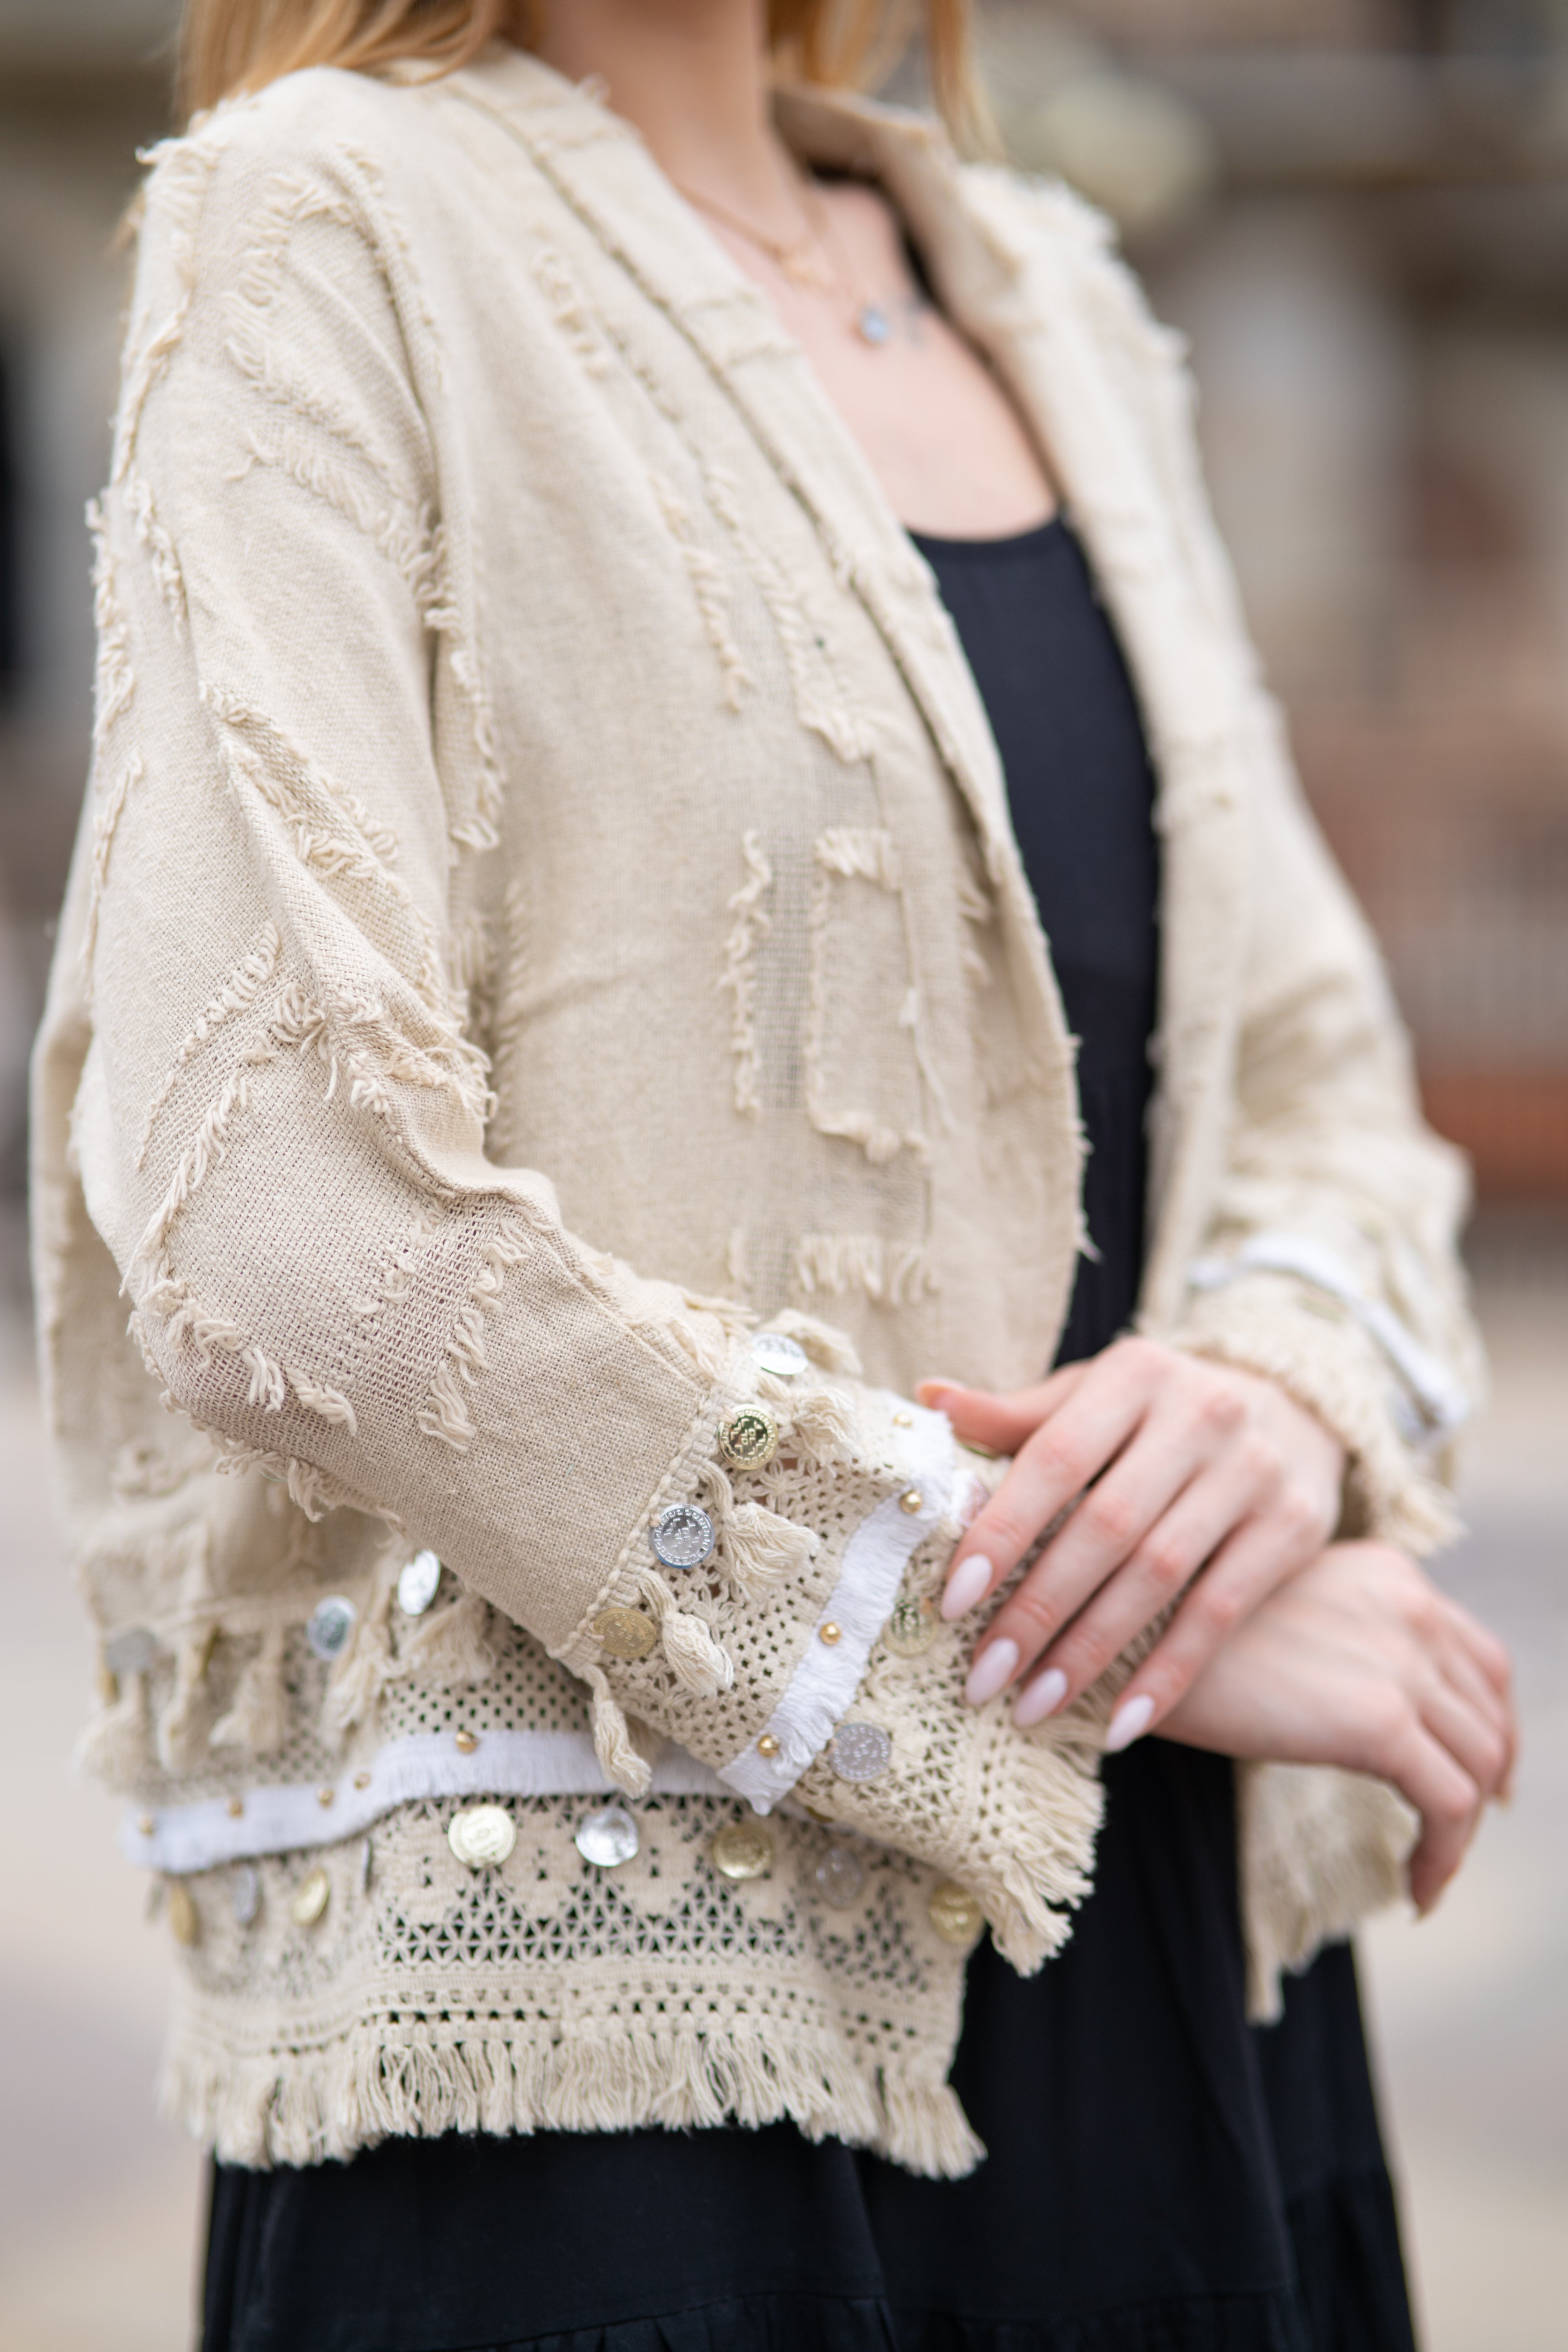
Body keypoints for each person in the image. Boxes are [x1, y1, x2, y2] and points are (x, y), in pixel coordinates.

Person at [33, 2, 1517, 2347]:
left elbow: (1321, 1072)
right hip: (613, 2073)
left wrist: (1264, 1401)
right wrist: (1095, 1642)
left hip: (1172, 1975)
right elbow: (272, 1216)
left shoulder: (1047, 293)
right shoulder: (327, 215)